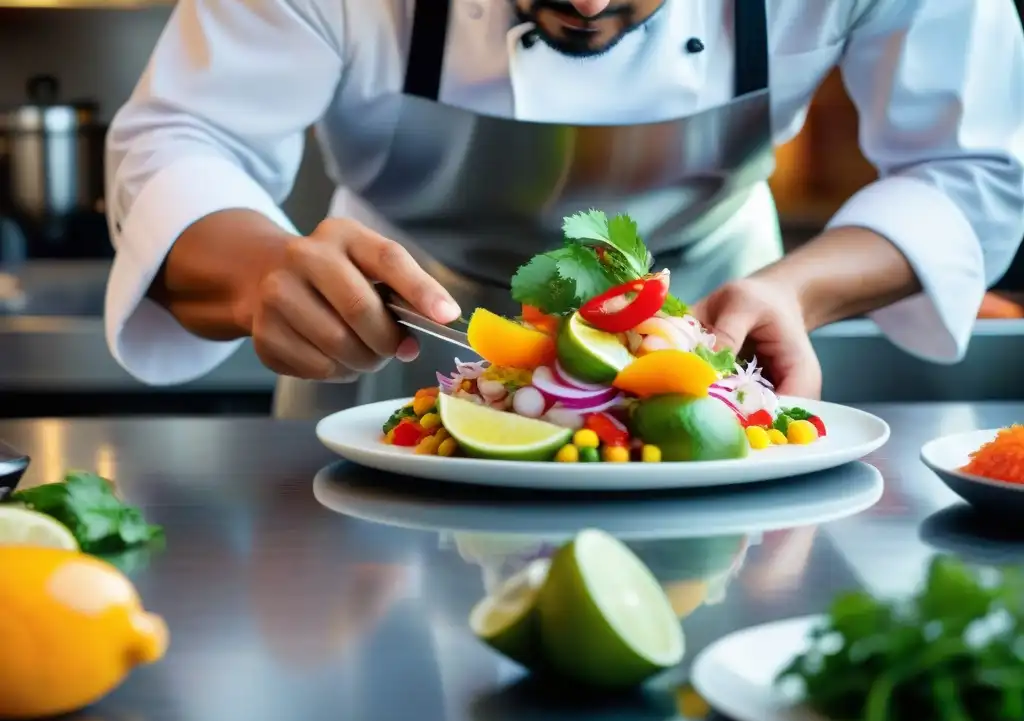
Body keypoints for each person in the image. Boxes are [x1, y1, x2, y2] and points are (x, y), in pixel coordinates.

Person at [104, 0, 1024, 418]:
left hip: (714, 368)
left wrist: (799, 293)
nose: (586, 4)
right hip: (395, 355)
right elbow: (179, 142)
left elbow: (972, 166)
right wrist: (264, 272)